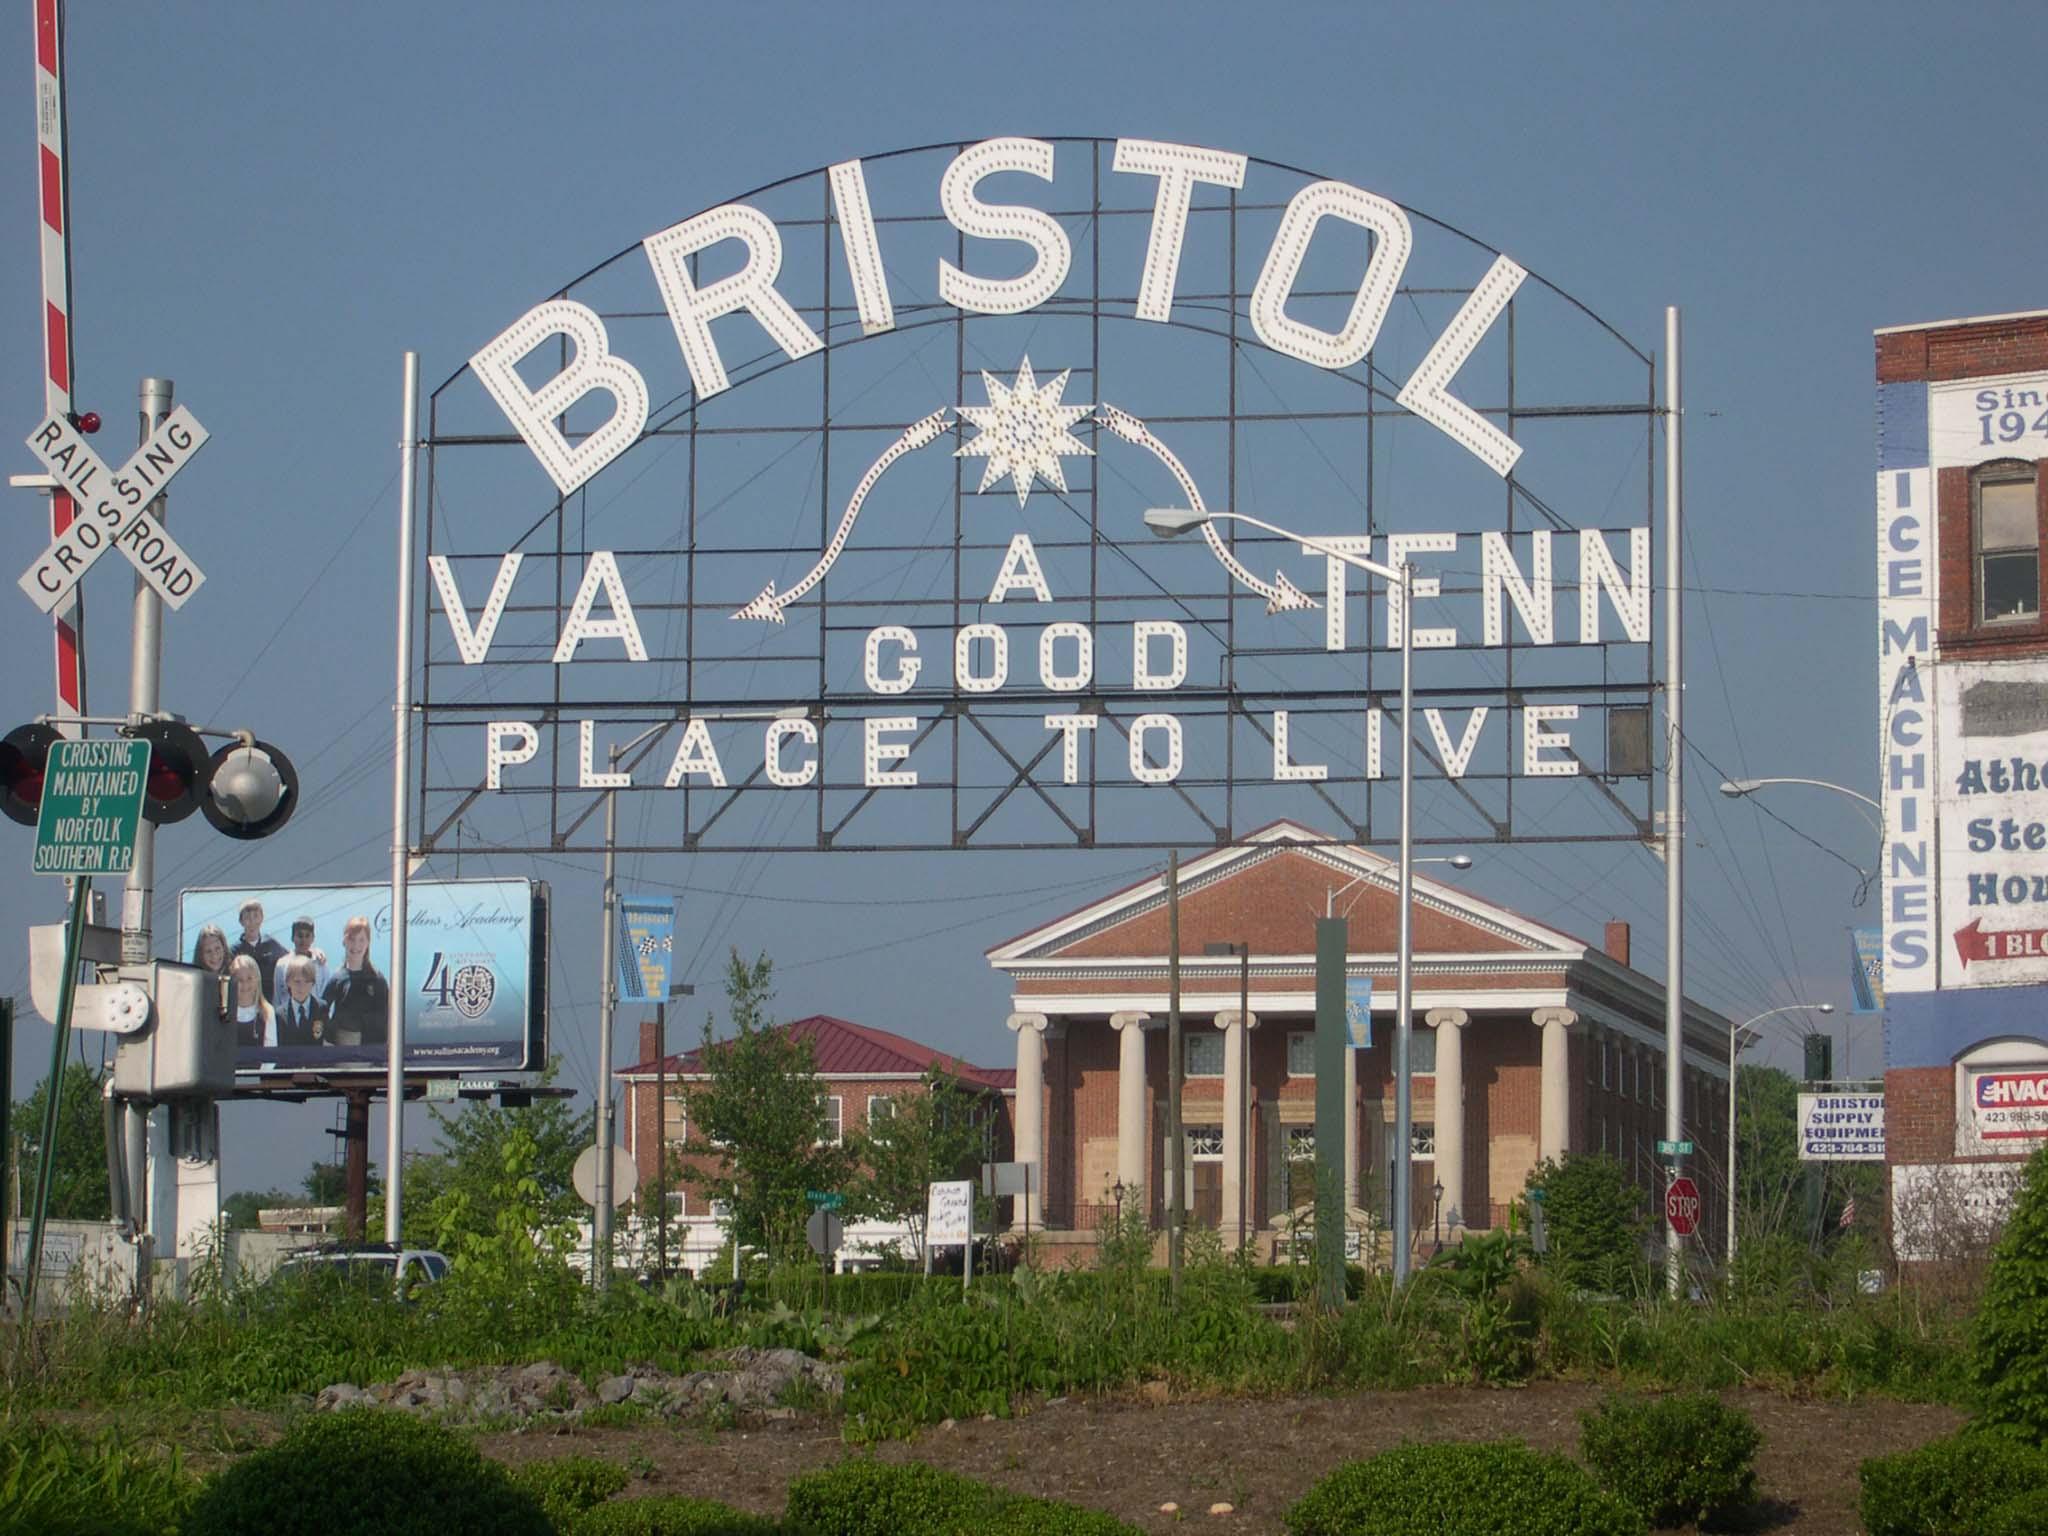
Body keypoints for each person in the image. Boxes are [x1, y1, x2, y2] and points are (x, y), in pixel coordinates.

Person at [322, 914, 388, 1048]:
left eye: (361, 940)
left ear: (368, 942)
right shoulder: (337, 978)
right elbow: (322, 1011)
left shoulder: (377, 979)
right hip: (343, 1048)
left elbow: (388, 1017)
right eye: (351, 939)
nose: (356, 945)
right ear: (344, 941)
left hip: (371, 1051)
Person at [231, 900, 288, 1002]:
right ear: (241, 921)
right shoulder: (235, 950)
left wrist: (313, 951)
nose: (252, 922)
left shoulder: (271, 944)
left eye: (255, 916)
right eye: (247, 918)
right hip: (244, 1002)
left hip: (268, 1003)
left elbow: (291, 959)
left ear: (261, 918)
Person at [275, 954, 331, 1047]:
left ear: (313, 983)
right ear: (288, 981)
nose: (302, 987)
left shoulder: (322, 1008)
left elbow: (327, 1038)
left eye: (307, 982)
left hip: (315, 1060)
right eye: (297, 981)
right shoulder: (280, 1014)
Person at [278, 916, 331, 1002]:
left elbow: (326, 995)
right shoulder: (282, 965)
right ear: (292, 938)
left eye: (307, 936)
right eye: (300, 936)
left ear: (313, 938)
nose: (303, 940)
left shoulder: (321, 964)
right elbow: (278, 997)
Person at [228, 953, 275, 1050]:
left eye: (249, 978)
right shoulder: (225, 1013)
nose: (245, 984)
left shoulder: (267, 1012)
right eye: (239, 980)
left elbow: (271, 1054)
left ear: (257, 979)